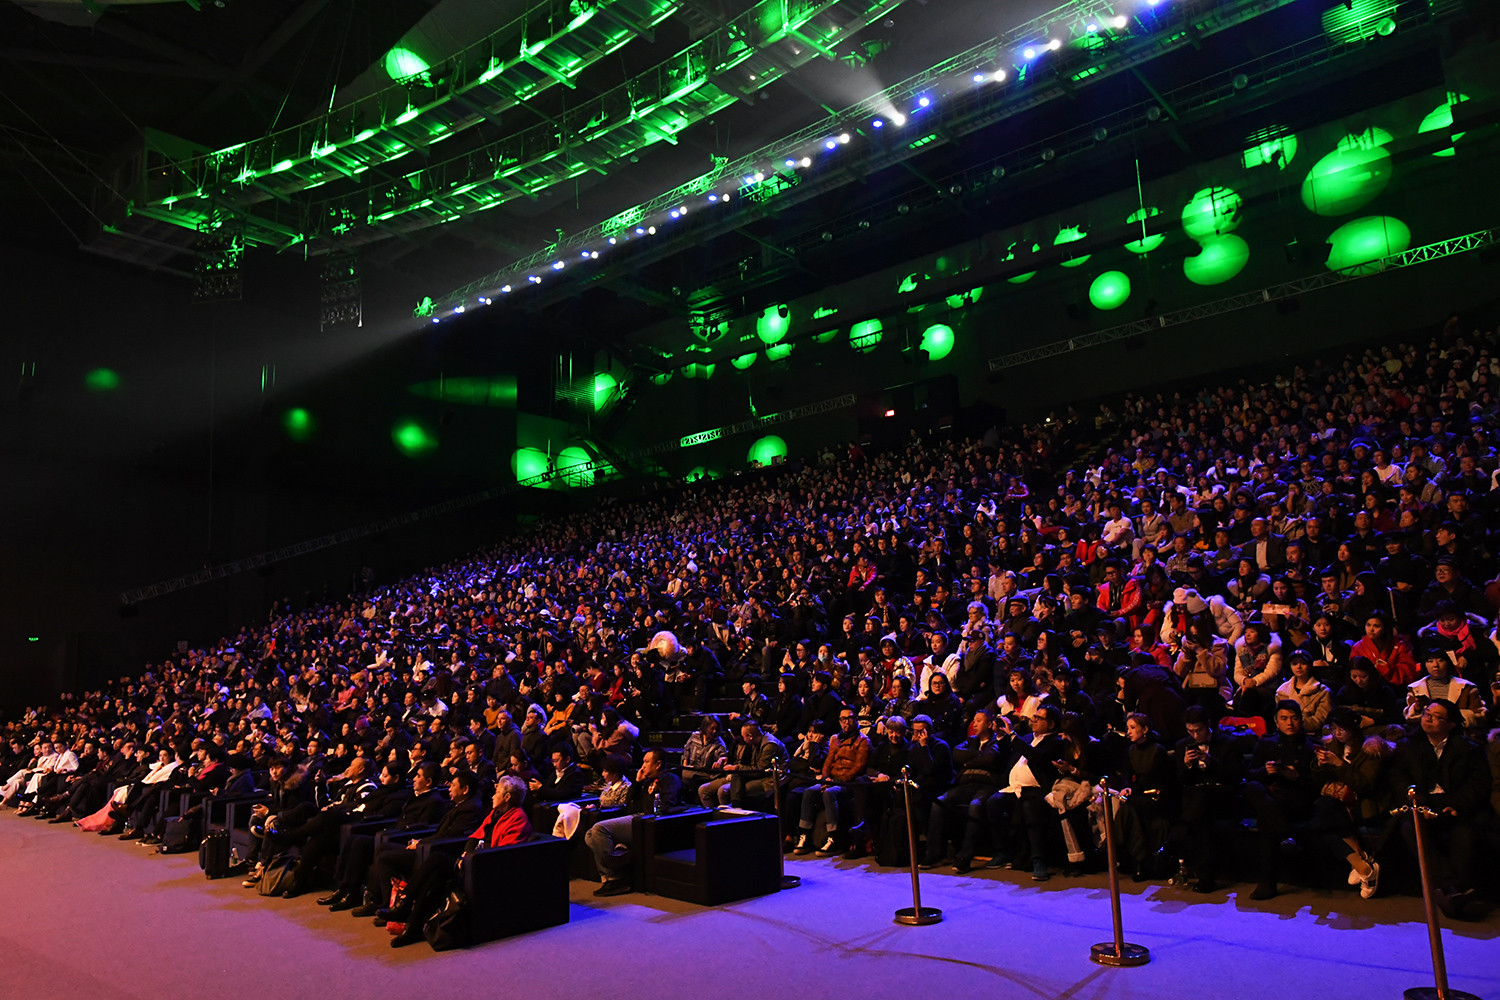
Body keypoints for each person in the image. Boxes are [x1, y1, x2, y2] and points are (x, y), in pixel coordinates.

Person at [386, 774, 535, 948]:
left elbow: (503, 855)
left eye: (497, 792)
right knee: (434, 878)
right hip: (472, 861)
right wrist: (466, 854)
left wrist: (469, 858)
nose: (493, 796)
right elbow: (475, 836)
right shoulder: (496, 812)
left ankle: (405, 905)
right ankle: (412, 926)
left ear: (507, 797)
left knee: (436, 859)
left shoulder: (518, 818)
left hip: (487, 867)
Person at [1389, 698, 1491, 920]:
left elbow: (1478, 783)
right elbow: (1398, 779)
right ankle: (1454, 888)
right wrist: (1418, 802)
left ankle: (1455, 891)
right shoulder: (1407, 745)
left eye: (1437, 717)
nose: (1429, 719)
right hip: (1421, 803)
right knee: (1409, 827)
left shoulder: (1468, 748)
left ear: (1451, 724)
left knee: (1464, 833)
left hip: (1454, 804)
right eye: (1427, 714)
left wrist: (1457, 806)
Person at [354, 770, 487, 920]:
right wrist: (420, 841)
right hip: (430, 846)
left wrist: (421, 844)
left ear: (465, 789)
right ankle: (377, 900)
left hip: (437, 851)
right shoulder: (459, 804)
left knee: (385, 858)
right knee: (383, 847)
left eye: (453, 785)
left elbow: (452, 837)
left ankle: (391, 906)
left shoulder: (471, 808)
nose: (449, 788)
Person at [1244, 701, 1317, 900]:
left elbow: (1317, 784)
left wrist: (1296, 777)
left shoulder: (1311, 746)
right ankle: (1286, 833)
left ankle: (1267, 884)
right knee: (1253, 788)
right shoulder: (1266, 743)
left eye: (1294, 718)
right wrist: (1265, 771)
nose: (1289, 723)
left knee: (1266, 822)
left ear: (1301, 720)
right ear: (1276, 722)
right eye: (1284, 719)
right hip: (1270, 798)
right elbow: (1250, 774)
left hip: (1296, 800)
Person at [984, 703, 1066, 880]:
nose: (1034, 720)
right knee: (993, 802)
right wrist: (1001, 736)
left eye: (1039, 718)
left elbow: (1038, 758)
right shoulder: (1028, 738)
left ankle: (1038, 860)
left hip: (1037, 790)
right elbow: (1008, 756)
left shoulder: (1056, 742)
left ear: (1051, 724)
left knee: (1030, 808)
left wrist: (1013, 735)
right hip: (1014, 788)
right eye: (1034, 717)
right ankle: (1003, 851)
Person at [1309, 707, 1382, 899]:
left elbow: (1365, 784)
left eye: (1342, 728)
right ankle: (1362, 864)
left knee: (1321, 819)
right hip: (1335, 802)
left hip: (1362, 803)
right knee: (1323, 810)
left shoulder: (1370, 748)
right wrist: (1320, 765)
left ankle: (1361, 863)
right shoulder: (1332, 746)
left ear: (1353, 728)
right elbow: (1318, 781)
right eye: (1334, 728)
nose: (1337, 733)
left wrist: (1339, 765)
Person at [588, 749, 683, 897]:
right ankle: (614, 867)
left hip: (649, 822)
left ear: (658, 764)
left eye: (646, 762)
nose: (642, 766)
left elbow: (666, 806)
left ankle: (615, 879)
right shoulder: (646, 781)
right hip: (637, 818)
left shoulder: (670, 779)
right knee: (589, 835)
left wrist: (648, 813)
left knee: (599, 829)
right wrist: (637, 783)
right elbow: (629, 804)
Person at [922, 708, 1004, 873]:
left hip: (986, 786)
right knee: (939, 802)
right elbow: (956, 754)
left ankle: (965, 857)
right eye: (974, 720)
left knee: (975, 806)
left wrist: (969, 761)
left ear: (989, 724)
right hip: (965, 784)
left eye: (979, 721)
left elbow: (991, 758)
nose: (974, 724)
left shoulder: (997, 741)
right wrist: (979, 757)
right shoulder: (971, 740)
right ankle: (934, 853)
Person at [790, 707, 870, 856]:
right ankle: (804, 834)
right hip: (832, 779)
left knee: (829, 794)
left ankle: (833, 837)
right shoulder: (835, 739)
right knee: (809, 792)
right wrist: (826, 778)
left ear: (855, 720)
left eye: (849, 718)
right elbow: (828, 762)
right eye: (843, 719)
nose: (846, 722)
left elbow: (858, 767)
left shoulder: (863, 740)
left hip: (848, 782)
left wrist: (834, 782)